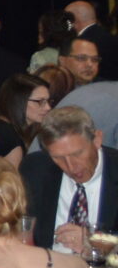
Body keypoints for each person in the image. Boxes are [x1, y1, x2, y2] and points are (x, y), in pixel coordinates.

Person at [19, 106, 118, 252]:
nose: (71, 167)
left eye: (77, 154)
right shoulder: (35, 168)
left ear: (97, 139)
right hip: (47, 262)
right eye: (58, 158)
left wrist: (95, 242)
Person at [0, 72, 53, 168]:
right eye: (40, 101)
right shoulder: (10, 139)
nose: (48, 107)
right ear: (19, 101)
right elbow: (14, 178)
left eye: (48, 101)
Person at [63, 0, 118, 81]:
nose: (65, 23)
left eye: (66, 19)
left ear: (74, 19)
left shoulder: (79, 44)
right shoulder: (111, 38)